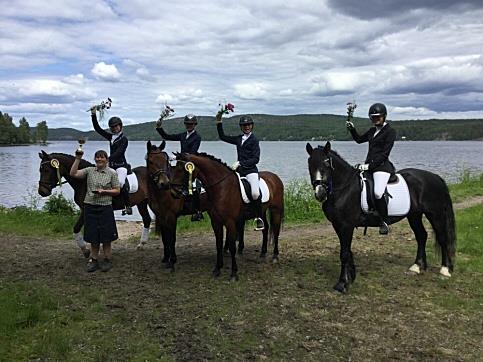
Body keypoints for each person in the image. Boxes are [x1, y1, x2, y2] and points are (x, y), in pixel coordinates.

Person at [346, 102, 396, 235]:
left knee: (378, 192)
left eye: (378, 117)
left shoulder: (390, 132)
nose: (376, 119)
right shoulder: (372, 131)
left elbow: (385, 154)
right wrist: (352, 129)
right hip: (369, 166)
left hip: (382, 167)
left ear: (384, 116)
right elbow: (359, 140)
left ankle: (384, 221)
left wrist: (369, 166)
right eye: (373, 117)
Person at [70, 149, 120, 272]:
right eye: (97, 157)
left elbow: (117, 190)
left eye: (102, 157)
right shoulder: (89, 170)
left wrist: (105, 192)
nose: (99, 159)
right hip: (90, 207)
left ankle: (107, 259)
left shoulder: (112, 173)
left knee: (107, 235)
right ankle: (94, 260)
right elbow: (73, 173)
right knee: (93, 236)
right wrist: (77, 158)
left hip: (105, 207)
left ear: (106, 160)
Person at [216, 113, 264, 230]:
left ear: (252, 126)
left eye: (248, 125)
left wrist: (241, 163)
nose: (246, 127)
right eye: (244, 125)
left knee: (255, 193)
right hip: (239, 172)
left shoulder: (254, 140)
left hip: (250, 171)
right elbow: (223, 137)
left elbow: (256, 159)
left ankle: (258, 217)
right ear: (241, 127)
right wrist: (219, 122)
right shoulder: (238, 139)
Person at [156, 114, 203, 221]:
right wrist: (159, 128)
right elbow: (168, 136)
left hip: (190, 163)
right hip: (181, 164)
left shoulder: (197, 137)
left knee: (193, 185)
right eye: (187, 124)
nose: (189, 126)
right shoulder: (183, 135)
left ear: (195, 125)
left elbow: (192, 153)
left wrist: (177, 156)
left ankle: (198, 211)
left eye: (191, 124)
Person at [90, 108, 132, 215]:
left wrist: (106, 160)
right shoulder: (111, 137)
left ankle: (127, 205)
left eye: (116, 126)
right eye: (112, 127)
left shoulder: (124, 139)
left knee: (121, 182)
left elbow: (119, 153)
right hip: (111, 165)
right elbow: (98, 129)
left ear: (120, 126)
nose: (114, 128)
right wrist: (93, 115)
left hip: (121, 165)